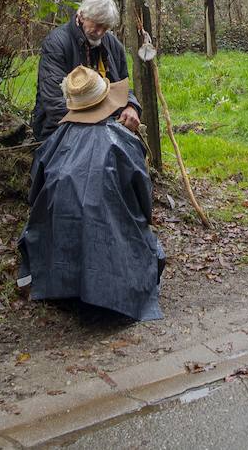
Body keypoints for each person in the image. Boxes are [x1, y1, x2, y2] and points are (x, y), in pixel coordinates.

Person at [17, 66, 166, 321]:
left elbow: (35, 193)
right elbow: (143, 197)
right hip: (112, 243)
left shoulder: (54, 142)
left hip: (57, 246)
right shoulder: (124, 142)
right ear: (106, 102)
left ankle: (68, 283)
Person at [31, 0, 140, 143]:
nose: (100, 32)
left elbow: (122, 86)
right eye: (97, 25)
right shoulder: (56, 43)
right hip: (61, 126)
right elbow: (54, 101)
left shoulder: (113, 45)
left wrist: (131, 106)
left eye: (106, 27)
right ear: (82, 16)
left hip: (106, 124)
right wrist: (98, 123)